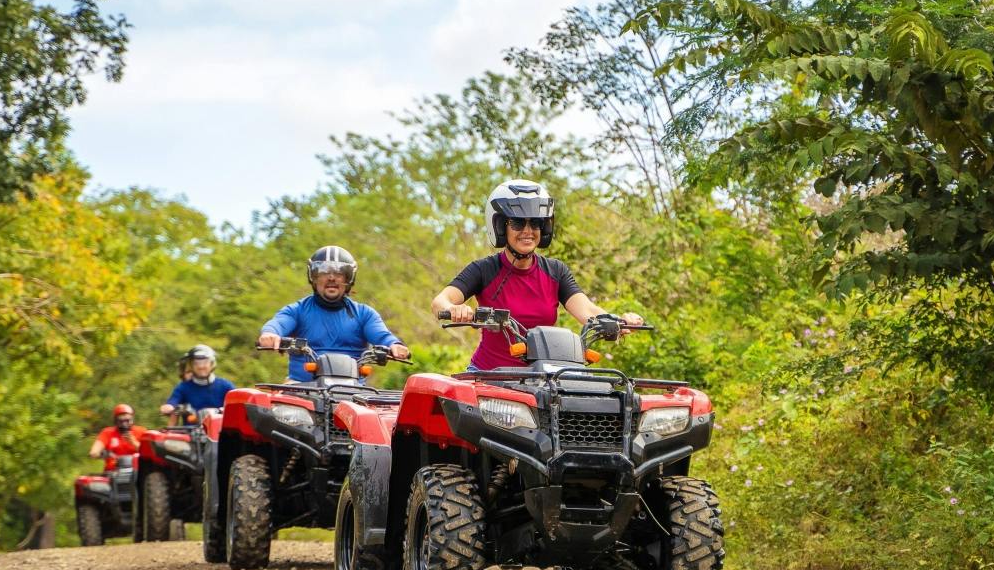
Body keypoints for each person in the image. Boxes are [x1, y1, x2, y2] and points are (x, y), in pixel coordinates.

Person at [429, 179, 642, 371]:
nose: (528, 230)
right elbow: (440, 301)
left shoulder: (556, 271)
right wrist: (454, 309)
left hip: (542, 377)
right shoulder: (484, 269)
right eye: (518, 223)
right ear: (500, 226)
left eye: (536, 223)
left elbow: (587, 310)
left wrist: (617, 321)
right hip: (489, 376)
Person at [257, 245, 410, 380]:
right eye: (324, 272)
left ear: (349, 279)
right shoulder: (297, 310)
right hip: (300, 389)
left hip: (354, 393)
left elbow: (382, 335)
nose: (331, 278)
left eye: (339, 273)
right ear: (314, 278)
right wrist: (270, 334)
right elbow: (278, 323)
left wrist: (394, 345)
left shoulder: (365, 314)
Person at [161, 344, 235, 421]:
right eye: (196, 363)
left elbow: (238, 406)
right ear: (191, 365)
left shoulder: (225, 385)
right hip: (191, 432)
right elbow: (173, 401)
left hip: (222, 431)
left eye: (205, 362)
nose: (201, 366)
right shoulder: (183, 387)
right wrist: (168, 407)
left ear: (212, 364)